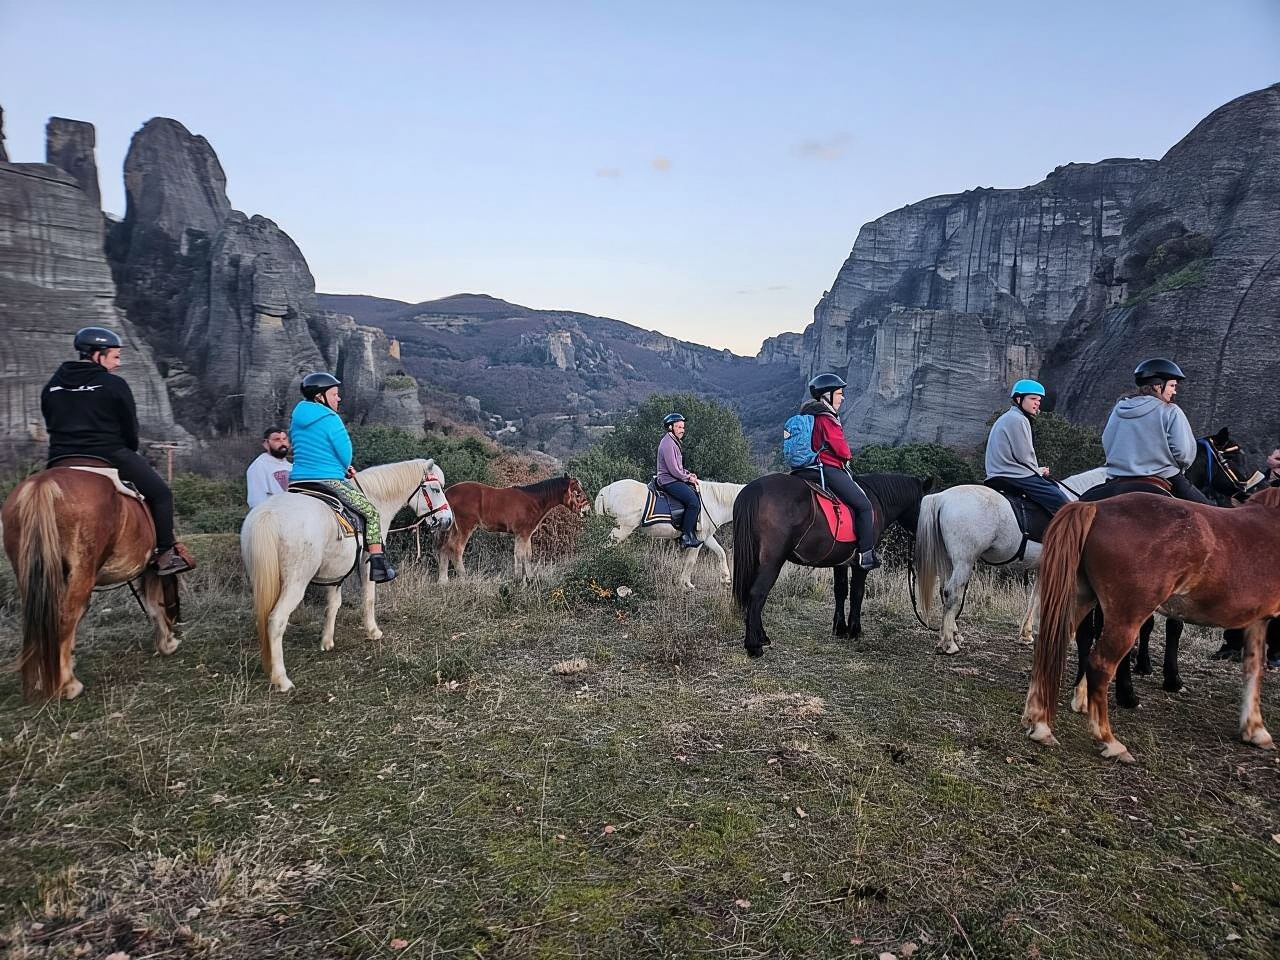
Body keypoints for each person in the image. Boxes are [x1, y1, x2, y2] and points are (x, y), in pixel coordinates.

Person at [41, 326, 195, 574]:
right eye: (115, 356)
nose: (118, 363)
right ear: (97, 355)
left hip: (60, 458)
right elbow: (129, 427)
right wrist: (130, 449)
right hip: (107, 453)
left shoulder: (53, 385)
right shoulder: (113, 384)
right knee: (162, 494)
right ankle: (166, 553)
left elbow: (50, 421)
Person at [289, 372, 396, 583]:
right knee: (371, 513)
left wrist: (339, 466)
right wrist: (345, 466)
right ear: (320, 397)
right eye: (335, 394)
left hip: (298, 482)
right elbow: (346, 454)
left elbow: (306, 448)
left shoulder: (296, 418)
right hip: (328, 482)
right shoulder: (330, 418)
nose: (338, 399)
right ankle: (378, 564)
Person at [795, 373, 879, 570]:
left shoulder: (808, 414)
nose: (842, 398)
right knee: (864, 506)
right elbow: (842, 450)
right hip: (828, 468)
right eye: (839, 393)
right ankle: (866, 555)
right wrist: (848, 456)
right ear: (827, 395)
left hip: (806, 468)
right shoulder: (826, 418)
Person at [1101, 358, 1208, 504]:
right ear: (1157, 386)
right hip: (1164, 475)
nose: (1174, 391)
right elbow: (1183, 454)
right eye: (1171, 385)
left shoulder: (1118, 409)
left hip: (1118, 477)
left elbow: (1106, 441)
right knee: (1214, 515)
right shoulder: (1170, 411)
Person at [984, 379, 1069, 516]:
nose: (1037, 403)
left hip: (1000, 472)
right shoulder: (1018, 419)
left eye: (1039, 400)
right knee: (1065, 505)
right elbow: (1024, 455)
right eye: (1033, 398)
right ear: (1019, 399)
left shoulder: (1009, 417)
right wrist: (1038, 471)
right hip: (1012, 475)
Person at [656, 412, 702, 549]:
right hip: (668, 480)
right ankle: (686, 536)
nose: (682, 430)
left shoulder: (673, 441)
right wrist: (688, 478)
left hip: (673, 477)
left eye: (683, 427)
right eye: (679, 427)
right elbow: (674, 470)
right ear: (670, 427)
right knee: (693, 502)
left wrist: (689, 474)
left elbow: (679, 468)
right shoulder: (668, 444)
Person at [246, 426, 293, 509]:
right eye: (277, 439)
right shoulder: (259, 466)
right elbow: (256, 500)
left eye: (284, 439)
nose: (282, 443)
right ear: (266, 444)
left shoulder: (290, 466)